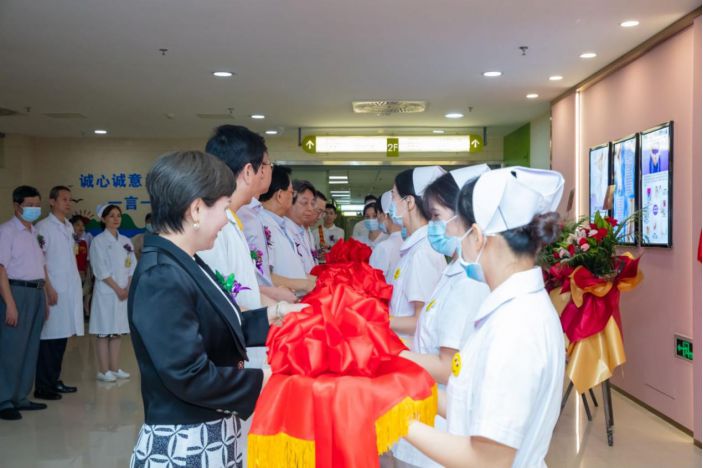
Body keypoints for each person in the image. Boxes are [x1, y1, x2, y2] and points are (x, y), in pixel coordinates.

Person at [128, 151, 306, 467]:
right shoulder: (161, 276)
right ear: (197, 209)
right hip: (185, 443)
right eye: (224, 208)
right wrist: (271, 377)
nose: (226, 220)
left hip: (211, 431)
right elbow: (189, 375)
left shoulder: (187, 261)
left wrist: (276, 314)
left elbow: (220, 324)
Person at [404, 167, 566, 468]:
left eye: (458, 228)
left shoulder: (516, 327)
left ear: (477, 237)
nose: (451, 235)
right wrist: (401, 394)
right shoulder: (513, 307)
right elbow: (468, 406)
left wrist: (394, 419)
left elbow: (488, 459)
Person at [391, 165, 491, 468]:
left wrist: (387, 356)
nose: (433, 226)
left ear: (466, 219)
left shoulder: (469, 284)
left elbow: (448, 367)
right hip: (429, 414)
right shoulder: (454, 271)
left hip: (441, 428)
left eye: (436, 216)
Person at [0, 186, 50, 420]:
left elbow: (40, 267)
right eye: (29, 205)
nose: (34, 209)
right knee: (11, 348)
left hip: (36, 292)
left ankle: (20, 396)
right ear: (16, 206)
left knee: (30, 348)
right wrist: (10, 304)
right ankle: (3, 399)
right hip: (16, 292)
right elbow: (1, 269)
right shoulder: (6, 231)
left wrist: (45, 299)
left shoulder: (34, 233)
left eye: (37, 205)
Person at [35, 186, 83, 399]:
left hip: (69, 289)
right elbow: (40, 260)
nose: (68, 203)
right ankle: (43, 386)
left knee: (61, 337)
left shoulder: (68, 226)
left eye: (69, 199)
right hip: (53, 289)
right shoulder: (43, 227)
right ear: (52, 201)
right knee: (49, 339)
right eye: (64, 199)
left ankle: (54, 380)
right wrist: (49, 287)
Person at [388, 167, 447, 338]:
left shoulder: (422, 252)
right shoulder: (415, 247)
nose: (391, 204)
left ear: (409, 202)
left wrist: (375, 320)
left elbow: (421, 320)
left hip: (410, 348)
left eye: (393, 196)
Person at [88, 204, 136, 382]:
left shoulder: (125, 240)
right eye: (111, 216)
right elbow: (100, 269)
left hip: (123, 292)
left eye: (118, 215)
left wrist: (127, 288)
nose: (116, 219)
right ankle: (103, 371)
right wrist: (117, 289)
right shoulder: (98, 241)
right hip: (107, 292)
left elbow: (132, 266)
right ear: (103, 219)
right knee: (104, 331)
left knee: (117, 331)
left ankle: (114, 368)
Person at [259, 166, 315, 293]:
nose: (292, 197)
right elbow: (263, 276)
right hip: (279, 299)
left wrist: (317, 281)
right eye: (291, 193)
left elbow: (292, 270)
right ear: (280, 195)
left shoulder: (281, 224)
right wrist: (305, 284)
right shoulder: (261, 224)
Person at [285, 179, 318, 273]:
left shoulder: (303, 231)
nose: (310, 209)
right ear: (289, 201)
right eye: (304, 203)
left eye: (312, 204)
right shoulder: (283, 230)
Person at [369, 192, 403, 283]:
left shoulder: (383, 247)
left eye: (377, 214)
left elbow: (373, 283)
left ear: (384, 214)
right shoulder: (408, 241)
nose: (377, 219)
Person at [70, 215, 91, 319]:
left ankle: (85, 310)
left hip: (83, 274)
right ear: (71, 226)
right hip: (72, 274)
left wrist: (86, 271)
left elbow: (86, 259)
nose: (81, 227)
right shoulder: (69, 241)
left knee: (86, 291)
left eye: (82, 225)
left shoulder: (83, 242)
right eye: (77, 225)